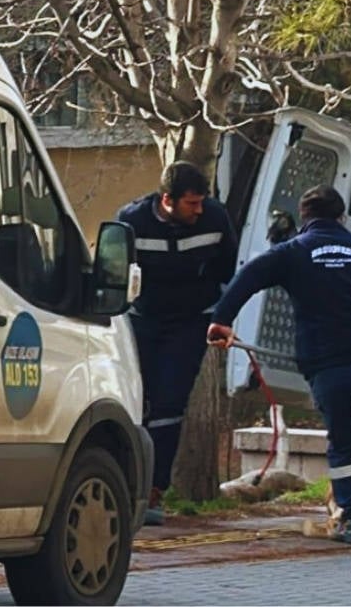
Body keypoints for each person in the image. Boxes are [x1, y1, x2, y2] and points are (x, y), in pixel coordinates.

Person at [206, 184, 351, 547]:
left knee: (342, 445)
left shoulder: (292, 252)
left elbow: (247, 277)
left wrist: (222, 319)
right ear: (342, 217)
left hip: (327, 365)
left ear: (304, 218)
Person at [117, 161, 238, 526]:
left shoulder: (215, 219)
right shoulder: (131, 221)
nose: (199, 210)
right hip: (141, 321)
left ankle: (154, 491)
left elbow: (226, 269)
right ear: (167, 200)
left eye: (202, 202)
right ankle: (126, 484)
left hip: (189, 323)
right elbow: (114, 270)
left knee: (170, 404)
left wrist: (216, 314)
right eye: (192, 204)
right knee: (138, 401)